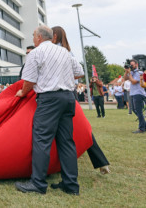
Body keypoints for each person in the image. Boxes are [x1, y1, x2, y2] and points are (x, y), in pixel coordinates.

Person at [14, 25, 84, 195]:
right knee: (66, 142)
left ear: (39, 37)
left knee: (42, 140)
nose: (33, 38)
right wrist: (61, 76)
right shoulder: (64, 52)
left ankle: (38, 183)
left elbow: (29, 80)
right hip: (68, 98)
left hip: (49, 100)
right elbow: (79, 72)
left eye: (33, 35)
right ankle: (71, 185)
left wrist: (22, 92)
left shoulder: (36, 53)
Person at [51, 25, 110, 174]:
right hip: (70, 94)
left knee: (75, 128)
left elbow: (78, 73)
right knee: (80, 127)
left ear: (55, 36)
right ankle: (101, 162)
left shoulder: (58, 52)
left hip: (63, 93)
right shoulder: (68, 52)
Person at [124, 59, 145, 133]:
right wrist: (126, 71)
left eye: (132, 65)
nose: (131, 66)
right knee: (134, 109)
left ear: (136, 65)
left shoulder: (139, 72)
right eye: (130, 65)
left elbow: (133, 82)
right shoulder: (131, 72)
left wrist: (129, 73)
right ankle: (143, 124)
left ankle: (142, 128)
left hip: (139, 93)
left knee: (138, 111)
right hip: (133, 93)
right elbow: (125, 79)